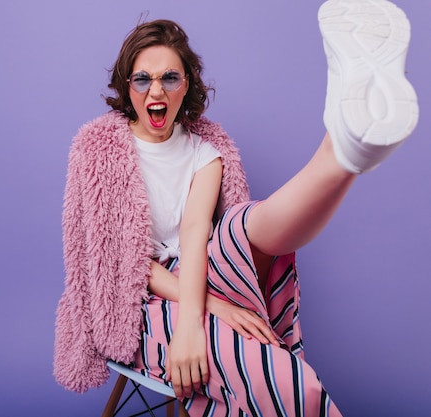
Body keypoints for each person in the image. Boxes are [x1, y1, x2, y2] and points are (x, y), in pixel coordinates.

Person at [54, 0, 419, 415]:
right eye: (143, 80)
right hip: (139, 300)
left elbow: (195, 233)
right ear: (128, 85)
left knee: (241, 223)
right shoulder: (97, 152)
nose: (156, 91)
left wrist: (199, 308)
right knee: (286, 378)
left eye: (169, 78)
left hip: (201, 271)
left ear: (187, 83)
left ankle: (342, 147)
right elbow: (120, 260)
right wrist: (205, 312)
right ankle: (346, 150)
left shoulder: (208, 155)